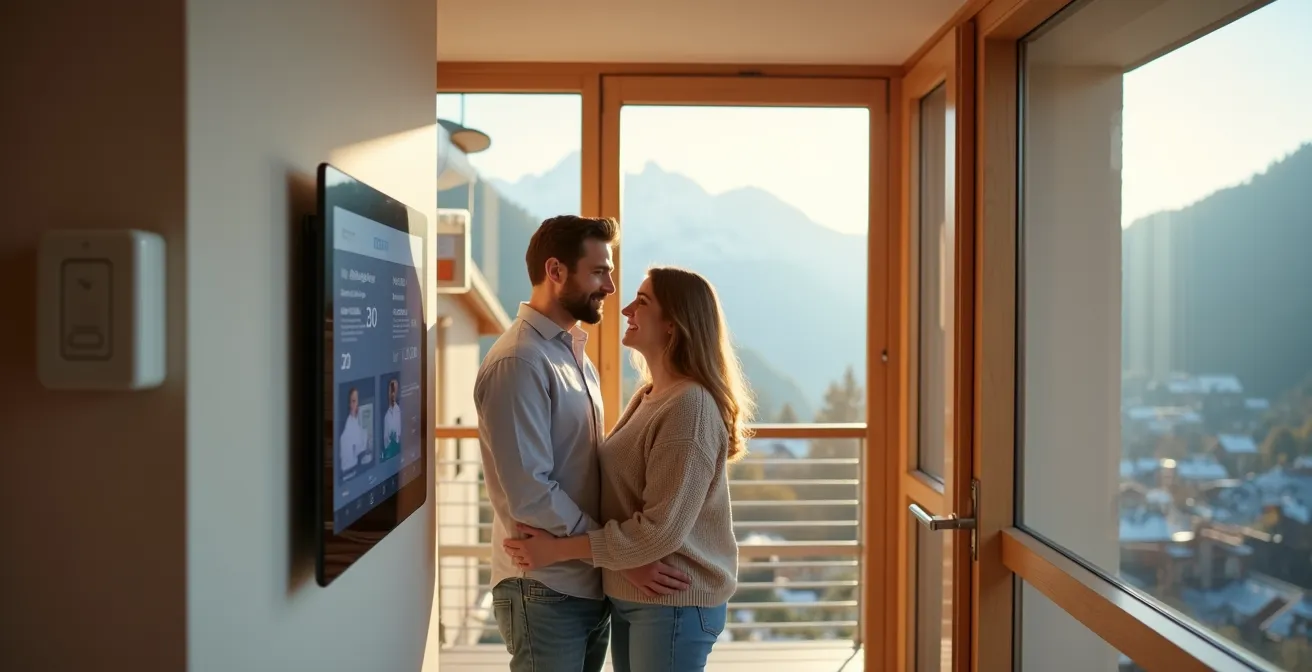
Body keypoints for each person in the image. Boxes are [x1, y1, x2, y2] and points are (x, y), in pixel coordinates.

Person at [504, 266, 750, 672]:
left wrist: (557, 550)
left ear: (674, 325)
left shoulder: (689, 407)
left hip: (674, 600)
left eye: (643, 301)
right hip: (637, 595)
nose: (626, 309)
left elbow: (659, 531)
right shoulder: (650, 395)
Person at [475, 216, 693, 672]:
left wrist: (608, 556)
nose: (611, 287)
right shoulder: (520, 361)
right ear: (556, 272)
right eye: (599, 272)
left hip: (582, 581)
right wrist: (616, 552)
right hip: (543, 586)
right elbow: (532, 493)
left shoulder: (571, 352)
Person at [339, 386, 368, 475]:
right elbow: (358, 449)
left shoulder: (357, 422)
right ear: (349, 404)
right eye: (354, 401)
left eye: (357, 401)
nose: (356, 405)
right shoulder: (346, 429)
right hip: (350, 471)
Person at [382, 379, 401, 460]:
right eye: (391, 390)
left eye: (395, 391)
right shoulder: (384, 414)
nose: (393, 394)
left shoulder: (399, 411)